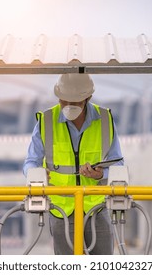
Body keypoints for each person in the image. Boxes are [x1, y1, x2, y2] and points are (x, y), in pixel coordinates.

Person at [23, 73, 124, 255]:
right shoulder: (46, 121)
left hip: (96, 205)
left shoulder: (105, 120)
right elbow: (31, 161)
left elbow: (118, 162)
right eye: (64, 101)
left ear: (88, 98)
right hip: (61, 207)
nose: (68, 106)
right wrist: (36, 173)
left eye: (75, 102)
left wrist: (101, 174)